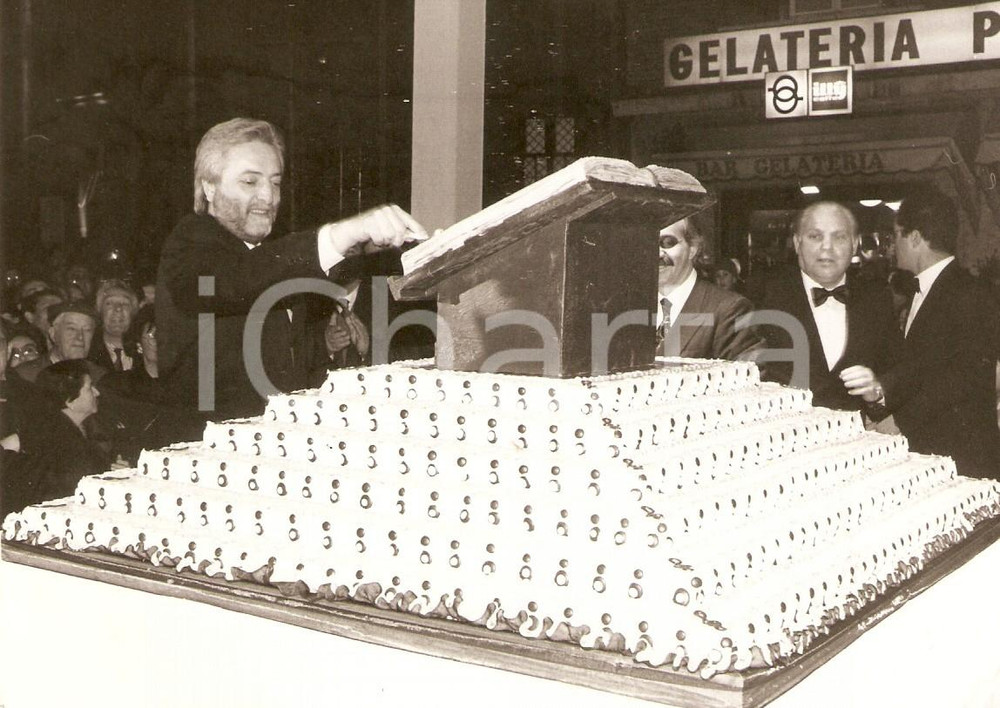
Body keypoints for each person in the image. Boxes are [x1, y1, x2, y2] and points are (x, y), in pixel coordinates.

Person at [156, 117, 426, 418]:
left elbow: (275, 352)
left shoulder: (266, 257)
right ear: (209, 187)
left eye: (275, 182)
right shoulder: (190, 243)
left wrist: (323, 345)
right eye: (250, 181)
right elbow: (240, 279)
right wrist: (344, 233)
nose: (269, 197)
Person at [841, 187, 1000, 478]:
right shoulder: (924, 289)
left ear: (915, 238)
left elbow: (965, 375)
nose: (891, 247)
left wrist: (900, 420)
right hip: (934, 451)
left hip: (964, 459)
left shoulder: (969, 293)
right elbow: (924, 365)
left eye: (896, 235)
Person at [756, 201, 899, 411]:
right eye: (815, 236)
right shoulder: (762, 300)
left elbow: (896, 369)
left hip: (855, 438)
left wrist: (877, 391)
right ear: (797, 243)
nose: (827, 246)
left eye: (839, 237)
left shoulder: (877, 300)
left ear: (854, 244)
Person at [3, 360, 112, 512]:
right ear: (69, 401)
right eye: (89, 388)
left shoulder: (88, 426)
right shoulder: (44, 431)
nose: (97, 392)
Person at [655, 216, 763, 361]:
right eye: (648, 243)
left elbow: (749, 377)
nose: (657, 253)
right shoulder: (626, 306)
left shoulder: (730, 308)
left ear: (693, 248)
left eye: (667, 243)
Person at [12, 302, 102, 383]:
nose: (80, 337)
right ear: (53, 333)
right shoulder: (26, 375)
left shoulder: (100, 377)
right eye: (72, 329)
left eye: (87, 330)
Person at [89, 279, 140, 372]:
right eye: (109, 303)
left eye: (125, 304)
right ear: (99, 311)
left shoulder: (144, 352)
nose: (118, 309)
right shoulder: (88, 352)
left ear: (133, 312)